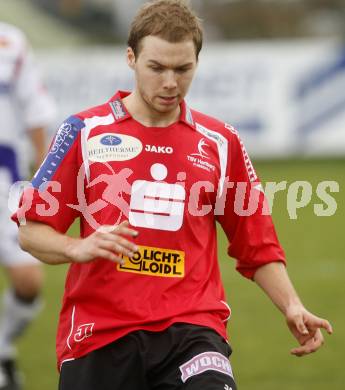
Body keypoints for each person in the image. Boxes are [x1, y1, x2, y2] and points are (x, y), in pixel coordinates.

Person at [12, 1, 332, 389]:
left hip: (193, 330)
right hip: (101, 334)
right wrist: (75, 248)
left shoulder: (220, 142)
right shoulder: (83, 131)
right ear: (131, 58)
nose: (170, 82)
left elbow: (256, 243)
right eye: (157, 67)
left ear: (197, 62)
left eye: (183, 69)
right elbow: (31, 230)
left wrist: (292, 305)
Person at [0, 22, 55, 390]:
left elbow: (36, 109)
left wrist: (43, 173)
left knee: (28, 279)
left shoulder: (11, 41)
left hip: (6, 175)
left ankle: (1, 347)